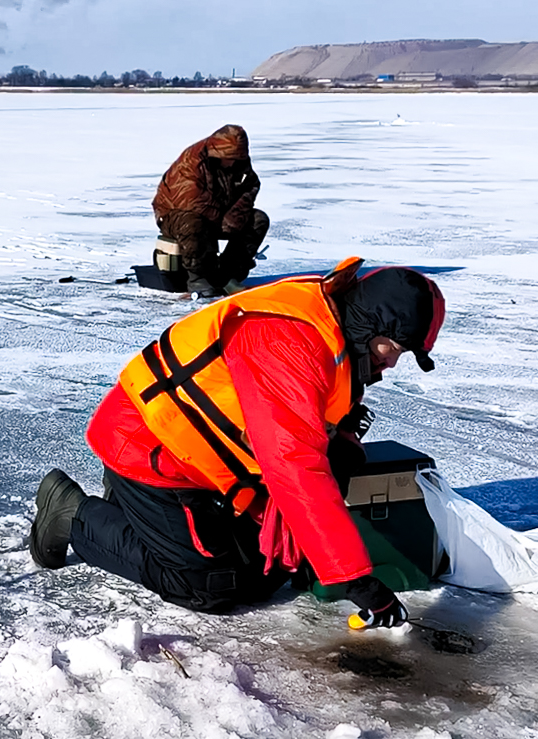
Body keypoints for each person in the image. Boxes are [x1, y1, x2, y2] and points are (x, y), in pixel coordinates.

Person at [29, 258, 446, 628]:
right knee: (206, 586)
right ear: (369, 325)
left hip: (206, 462)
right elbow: (293, 464)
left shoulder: (332, 330)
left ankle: (132, 513)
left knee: (261, 575)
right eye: (391, 348)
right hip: (151, 451)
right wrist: (355, 577)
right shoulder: (287, 342)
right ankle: (74, 514)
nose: (391, 363)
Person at [153, 124, 269, 297]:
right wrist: (223, 220)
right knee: (193, 222)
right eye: (229, 158)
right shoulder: (192, 163)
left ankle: (227, 275)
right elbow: (191, 203)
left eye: (236, 158)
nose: (232, 163)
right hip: (175, 215)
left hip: (219, 215)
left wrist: (234, 216)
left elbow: (251, 186)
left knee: (258, 219)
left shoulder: (239, 163)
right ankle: (198, 278)